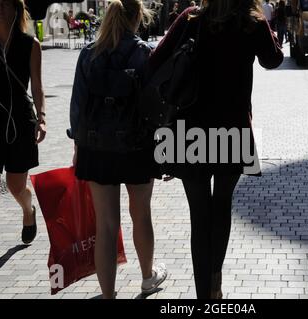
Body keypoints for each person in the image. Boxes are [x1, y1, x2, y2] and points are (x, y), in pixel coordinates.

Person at [149, 0, 283, 299]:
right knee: (221, 207)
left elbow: (155, 60)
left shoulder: (191, 18)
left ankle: (202, 297)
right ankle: (215, 282)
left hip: (188, 131)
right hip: (233, 129)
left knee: (199, 215)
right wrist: (265, 24)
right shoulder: (253, 23)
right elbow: (273, 60)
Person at [69, 0, 167, 299]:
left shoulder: (88, 54)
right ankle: (148, 277)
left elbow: (77, 109)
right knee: (141, 215)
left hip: (97, 150)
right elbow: (158, 108)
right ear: (139, 17)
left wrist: (78, 145)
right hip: (138, 148)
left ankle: (109, 294)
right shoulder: (146, 53)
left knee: (106, 224)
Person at [0, 0, 46, 271]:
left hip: (20, 119)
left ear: (14, 8)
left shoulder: (30, 45)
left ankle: (28, 209)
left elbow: (38, 88)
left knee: (15, 185)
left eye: (2, 1)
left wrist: (41, 119)